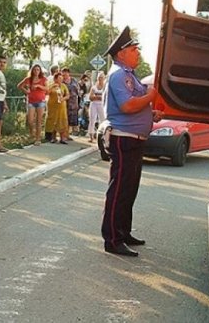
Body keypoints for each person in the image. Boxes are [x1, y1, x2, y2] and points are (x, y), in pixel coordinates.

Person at [100, 26, 163, 257]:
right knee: (119, 190)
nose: (137, 52)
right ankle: (112, 239)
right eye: (134, 49)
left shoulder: (128, 74)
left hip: (134, 139)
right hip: (123, 139)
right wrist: (150, 97)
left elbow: (134, 104)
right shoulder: (118, 75)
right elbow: (126, 106)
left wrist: (150, 111)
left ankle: (123, 232)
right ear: (121, 53)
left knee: (129, 189)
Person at [17, 63, 47, 145]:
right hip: (31, 101)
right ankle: (32, 133)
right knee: (30, 120)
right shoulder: (28, 79)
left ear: (40, 71)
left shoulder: (43, 79)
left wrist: (38, 86)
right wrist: (26, 91)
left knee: (39, 121)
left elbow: (47, 88)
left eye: (38, 69)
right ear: (32, 71)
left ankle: (38, 139)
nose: (36, 71)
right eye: (34, 69)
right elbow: (19, 86)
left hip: (41, 101)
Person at [45, 73, 69, 144]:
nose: (60, 80)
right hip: (53, 106)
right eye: (59, 78)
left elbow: (67, 95)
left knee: (62, 121)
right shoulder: (51, 85)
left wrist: (63, 98)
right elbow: (47, 92)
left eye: (61, 79)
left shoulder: (64, 86)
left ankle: (62, 138)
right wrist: (52, 86)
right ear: (55, 79)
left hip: (61, 106)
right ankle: (53, 137)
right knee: (53, 120)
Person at [87, 71, 106, 143]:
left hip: (101, 105)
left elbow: (104, 97)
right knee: (92, 119)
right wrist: (98, 97)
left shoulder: (105, 87)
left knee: (103, 120)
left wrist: (97, 96)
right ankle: (91, 135)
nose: (100, 79)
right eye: (99, 78)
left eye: (102, 78)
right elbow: (91, 97)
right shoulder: (94, 87)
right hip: (94, 104)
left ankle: (102, 135)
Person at [61, 68, 80, 137]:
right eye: (63, 73)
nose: (64, 74)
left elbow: (78, 90)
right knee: (65, 117)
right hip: (65, 101)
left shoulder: (74, 80)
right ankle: (64, 134)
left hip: (73, 101)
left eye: (66, 72)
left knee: (71, 118)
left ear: (68, 73)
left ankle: (68, 134)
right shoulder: (61, 82)